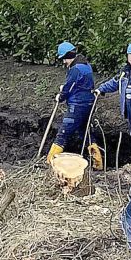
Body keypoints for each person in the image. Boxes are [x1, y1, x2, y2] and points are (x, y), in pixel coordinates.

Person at [47, 41, 104, 169]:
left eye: (64, 59)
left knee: (63, 133)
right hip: (89, 104)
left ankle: (50, 163)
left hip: (77, 105)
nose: (64, 62)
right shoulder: (86, 65)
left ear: (68, 56)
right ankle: (98, 163)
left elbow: (69, 87)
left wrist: (61, 96)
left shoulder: (75, 69)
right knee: (85, 132)